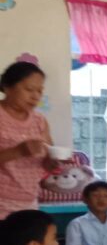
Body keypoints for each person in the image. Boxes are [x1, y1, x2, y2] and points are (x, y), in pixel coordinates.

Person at [0, 61, 60, 220]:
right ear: (7, 87)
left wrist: (53, 163)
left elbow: (47, 160)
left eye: (40, 91)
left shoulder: (39, 121)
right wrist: (17, 151)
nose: (35, 96)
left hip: (28, 202)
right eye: (29, 89)